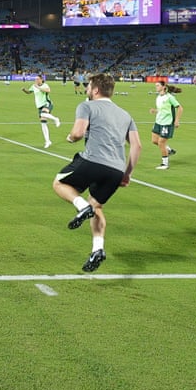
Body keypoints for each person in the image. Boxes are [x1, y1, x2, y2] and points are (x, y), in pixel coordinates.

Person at [53, 73, 142, 273]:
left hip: (93, 160)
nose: (86, 89)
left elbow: (77, 132)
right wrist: (127, 174)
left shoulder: (87, 106)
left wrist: (70, 138)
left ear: (95, 90)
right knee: (97, 206)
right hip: (116, 170)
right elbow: (137, 146)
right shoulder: (125, 114)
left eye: (88, 87)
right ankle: (98, 249)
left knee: (59, 183)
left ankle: (82, 206)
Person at [149, 80, 182, 170]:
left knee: (161, 142)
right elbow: (162, 109)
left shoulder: (169, 97)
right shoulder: (158, 97)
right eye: (156, 85)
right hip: (158, 122)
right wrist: (155, 111)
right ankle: (169, 150)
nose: (156, 87)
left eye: (158, 85)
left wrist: (177, 121)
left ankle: (165, 164)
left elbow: (180, 108)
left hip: (167, 123)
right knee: (154, 140)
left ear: (163, 87)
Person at [22, 74, 61, 147]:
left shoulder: (45, 85)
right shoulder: (33, 86)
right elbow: (29, 92)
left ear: (41, 79)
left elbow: (48, 90)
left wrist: (39, 88)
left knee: (43, 114)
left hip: (46, 103)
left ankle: (56, 119)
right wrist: (24, 90)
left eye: (37, 79)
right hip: (39, 106)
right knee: (43, 123)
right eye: (35, 79)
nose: (36, 80)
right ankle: (47, 141)